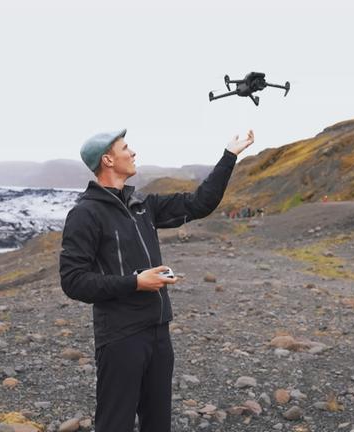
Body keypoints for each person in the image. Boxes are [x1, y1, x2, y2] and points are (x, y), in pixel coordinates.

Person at [59, 128, 254, 432]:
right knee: (115, 424)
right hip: (121, 337)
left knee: (158, 423)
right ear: (108, 160)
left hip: (158, 332)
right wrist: (135, 282)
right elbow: (73, 281)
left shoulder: (142, 206)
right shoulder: (86, 214)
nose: (133, 152)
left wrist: (229, 155)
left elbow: (199, 203)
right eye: (126, 148)